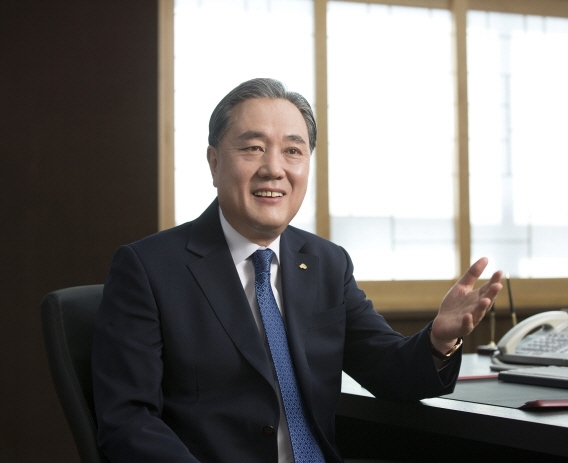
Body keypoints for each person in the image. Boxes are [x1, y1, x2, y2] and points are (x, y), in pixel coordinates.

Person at [92, 77, 503, 463]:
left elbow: (387, 370)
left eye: (293, 151)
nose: (274, 168)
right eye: (253, 148)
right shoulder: (149, 268)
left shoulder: (327, 262)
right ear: (214, 162)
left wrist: (438, 340)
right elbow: (128, 421)